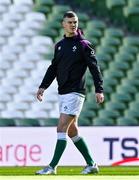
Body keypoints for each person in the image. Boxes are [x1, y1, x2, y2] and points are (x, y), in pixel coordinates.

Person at [36, 11, 104, 175]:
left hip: (75, 92)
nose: (73, 24)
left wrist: (99, 89)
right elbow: (53, 68)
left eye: (75, 22)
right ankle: (91, 164)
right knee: (73, 131)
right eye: (70, 22)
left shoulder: (83, 44)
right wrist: (43, 86)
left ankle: (52, 167)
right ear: (63, 24)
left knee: (61, 128)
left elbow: (94, 68)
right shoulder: (59, 45)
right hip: (63, 92)